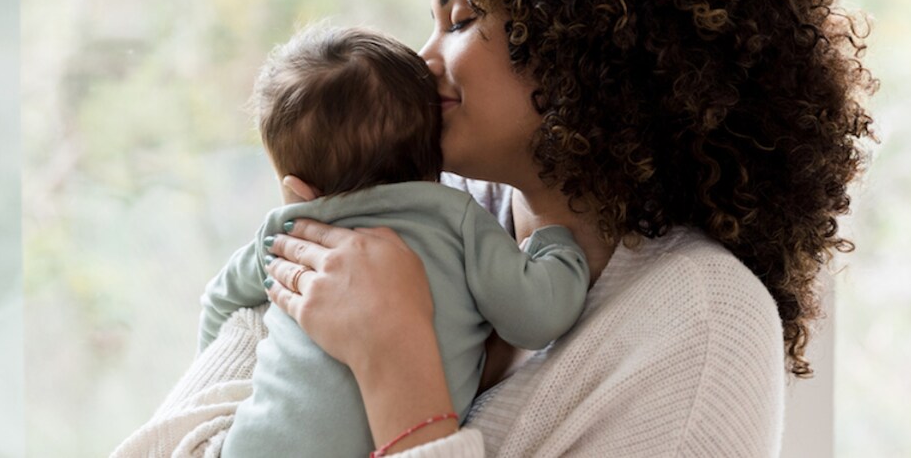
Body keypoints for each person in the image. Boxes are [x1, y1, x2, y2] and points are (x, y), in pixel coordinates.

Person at [115, 0, 874, 456]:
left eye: (462, 17)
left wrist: (397, 364)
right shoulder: (415, 198)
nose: (420, 60)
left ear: (590, 42)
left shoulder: (700, 325)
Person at [123, 23, 590, 458]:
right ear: (435, 157)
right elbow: (539, 318)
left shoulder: (288, 233)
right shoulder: (457, 220)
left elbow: (220, 300)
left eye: (459, 20)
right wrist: (557, 241)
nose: (430, 58)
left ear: (298, 189)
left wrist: (228, 386)